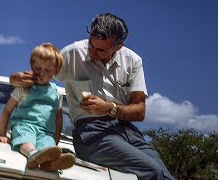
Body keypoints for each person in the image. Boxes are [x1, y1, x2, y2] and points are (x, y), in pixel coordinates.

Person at [9, 13, 174, 180]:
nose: (93, 52)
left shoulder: (133, 61)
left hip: (129, 132)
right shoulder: (72, 54)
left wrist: (110, 108)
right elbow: (42, 73)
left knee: (166, 177)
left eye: (101, 50)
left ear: (118, 47)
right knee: (152, 171)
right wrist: (15, 79)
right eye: (91, 45)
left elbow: (139, 111)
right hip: (91, 133)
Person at [0, 43, 75, 171]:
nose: (41, 73)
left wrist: (55, 141)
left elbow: (58, 119)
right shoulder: (23, 88)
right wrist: (2, 134)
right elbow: (7, 110)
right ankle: (32, 155)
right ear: (32, 65)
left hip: (45, 131)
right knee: (25, 138)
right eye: (38, 68)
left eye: (47, 70)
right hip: (23, 125)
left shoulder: (56, 94)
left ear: (56, 71)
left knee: (47, 145)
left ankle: (50, 163)